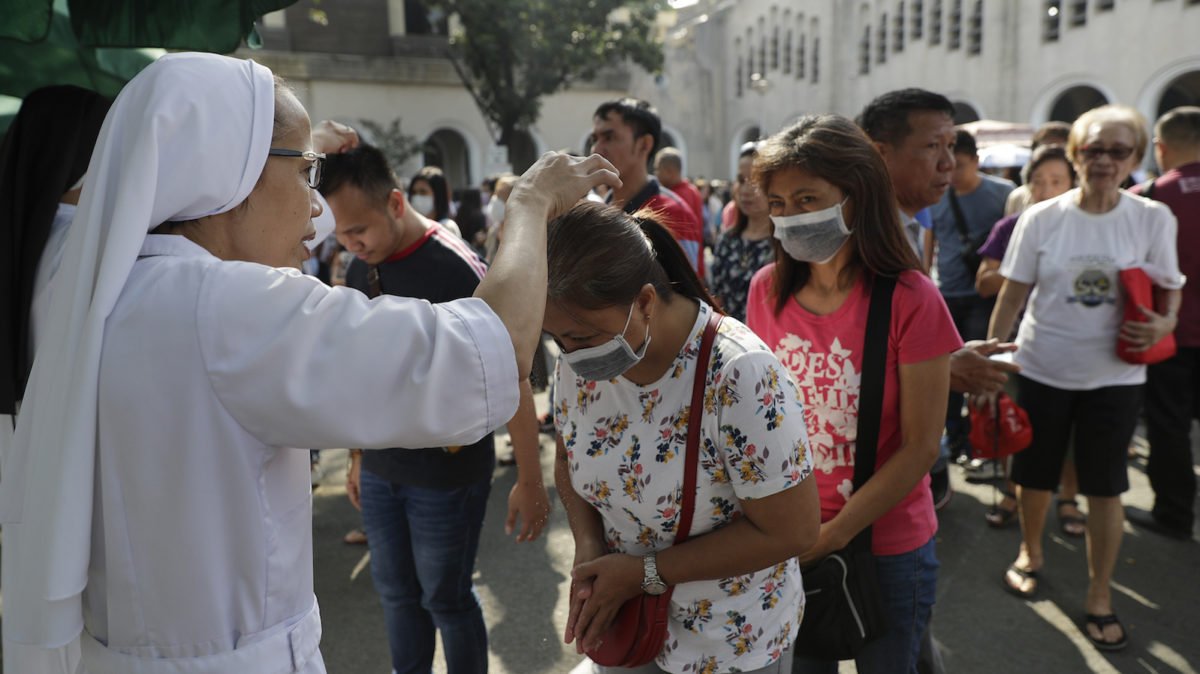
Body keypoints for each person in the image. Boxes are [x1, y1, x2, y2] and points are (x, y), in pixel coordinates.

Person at [0, 52, 619, 673]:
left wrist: (302, 147)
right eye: (307, 172)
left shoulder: (75, 280)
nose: (318, 210)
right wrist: (531, 204)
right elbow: (491, 351)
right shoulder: (226, 311)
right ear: (227, 172)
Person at [549, 201, 819, 672]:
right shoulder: (580, 357)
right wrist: (590, 551)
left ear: (647, 302)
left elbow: (793, 529)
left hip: (728, 644)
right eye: (559, 340)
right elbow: (570, 458)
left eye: (583, 337)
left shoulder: (739, 374)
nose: (571, 356)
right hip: (627, 626)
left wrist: (643, 573)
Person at [319, 143, 549, 672]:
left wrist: (530, 477)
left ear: (396, 203)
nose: (352, 245)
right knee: (396, 596)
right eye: (341, 237)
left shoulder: (459, 267)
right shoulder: (360, 267)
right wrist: (357, 456)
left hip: (446, 477)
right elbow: (363, 373)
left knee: (445, 599)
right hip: (381, 470)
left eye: (359, 231)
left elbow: (509, 373)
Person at [744, 115, 960, 674]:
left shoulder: (912, 298)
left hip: (886, 547)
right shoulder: (765, 291)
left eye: (807, 197)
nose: (790, 214)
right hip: (790, 539)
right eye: (779, 201)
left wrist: (835, 533)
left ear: (855, 196)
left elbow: (919, 447)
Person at [988, 104, 1183, 651]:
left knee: (1105, 487)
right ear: (1075, 153)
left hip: (1115, 377)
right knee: (1034, 474)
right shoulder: (1041, 217)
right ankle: (1031, 551)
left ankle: (1099, 594)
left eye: (1116, 150)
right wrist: (992, 358)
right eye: (1092, 148)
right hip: (1043, 366)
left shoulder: (1151, 218)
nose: (1103, 160)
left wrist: (1164, 322)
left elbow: (1171, 288)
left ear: (1135, 158)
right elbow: (1013, 294)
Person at [857, 88, 1019, 514]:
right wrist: (942, 370)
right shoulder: (848, 239)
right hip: (860, 479)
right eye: (932, 147)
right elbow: (837, 353)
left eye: (951, 146)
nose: (948, 162)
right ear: (880, 152)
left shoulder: (912, 224)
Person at [973, 145, 1083, 533]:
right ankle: (1011, 493)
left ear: (1074, 183)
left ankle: (1068, 498)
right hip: (1017, 344)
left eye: (1057, 181)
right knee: (1014, 422)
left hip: (1073, 349)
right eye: (1039, 181)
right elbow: (985, 283)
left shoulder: (1087, 227)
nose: (1047, 189)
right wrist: (1025, 264)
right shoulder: (1012, 227)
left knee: (1070, 432)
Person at [1126, 105, 1200, 541]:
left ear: (1161, 147)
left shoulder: (1149, 198)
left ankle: (1174, 515)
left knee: (1168, 427)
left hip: (1165, 332)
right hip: (1171, 330)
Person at [925, 129, 1015, 478]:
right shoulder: (936, 193)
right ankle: (956, 440)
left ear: (976, 162)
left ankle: (983, 444)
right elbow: (929, 244)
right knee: (945, 376)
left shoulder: (1002, 194)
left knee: (979, 373)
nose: (950, 173)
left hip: (983, 297)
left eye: (959, 165)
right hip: (946, 294)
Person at [590, 97, 706, 276]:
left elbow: (686, 296)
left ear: (644, 144)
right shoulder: (596, 211)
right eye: (595, 139)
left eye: (609, 137)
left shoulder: (673, 213)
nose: (596, 149)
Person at [710, 144, 774, 322]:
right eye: (741, 179)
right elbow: (716, 297)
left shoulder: (785, 244)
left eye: (755, 181)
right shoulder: (727, 240)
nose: (746, 190)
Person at [1004, 122, 1072, 217]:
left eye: (1056, 182)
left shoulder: (1086, 199)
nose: (1047, 191)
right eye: (1044, 152)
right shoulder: (1017, 197)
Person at [654, 146, 705, 222]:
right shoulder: (693, 191)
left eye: (657, 169)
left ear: (670, 171)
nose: (655, 174)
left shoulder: (676, 196)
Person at [409, 165, 461, 237]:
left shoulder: (446, 227)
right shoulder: (413, 229)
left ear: (438, 195)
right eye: (414, 192)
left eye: (423, 192)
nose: (417, 197)